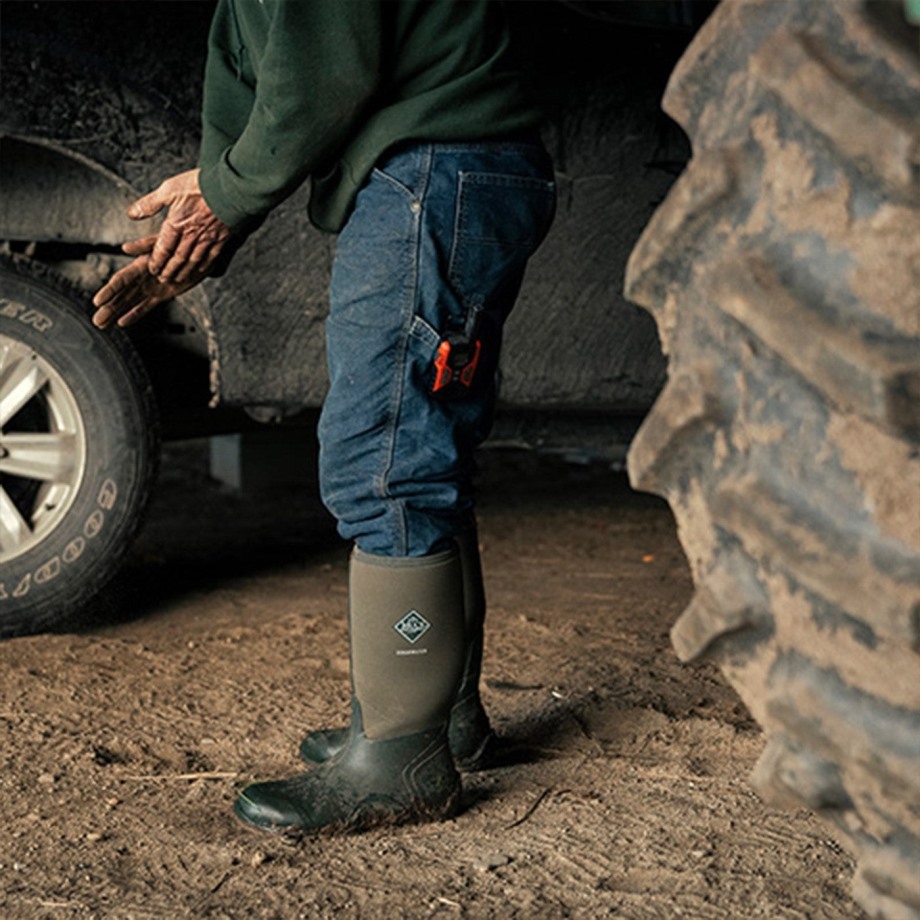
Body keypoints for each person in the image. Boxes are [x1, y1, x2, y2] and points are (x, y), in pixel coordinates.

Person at [93, 0, 555, 836]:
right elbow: (256, 60)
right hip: (449, 165)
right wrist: (213, 199)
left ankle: (403, 759)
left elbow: (319, 79)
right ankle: (437, 716)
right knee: (420, 443)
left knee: (383, 458)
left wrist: (228, 198)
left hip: (432, 165)